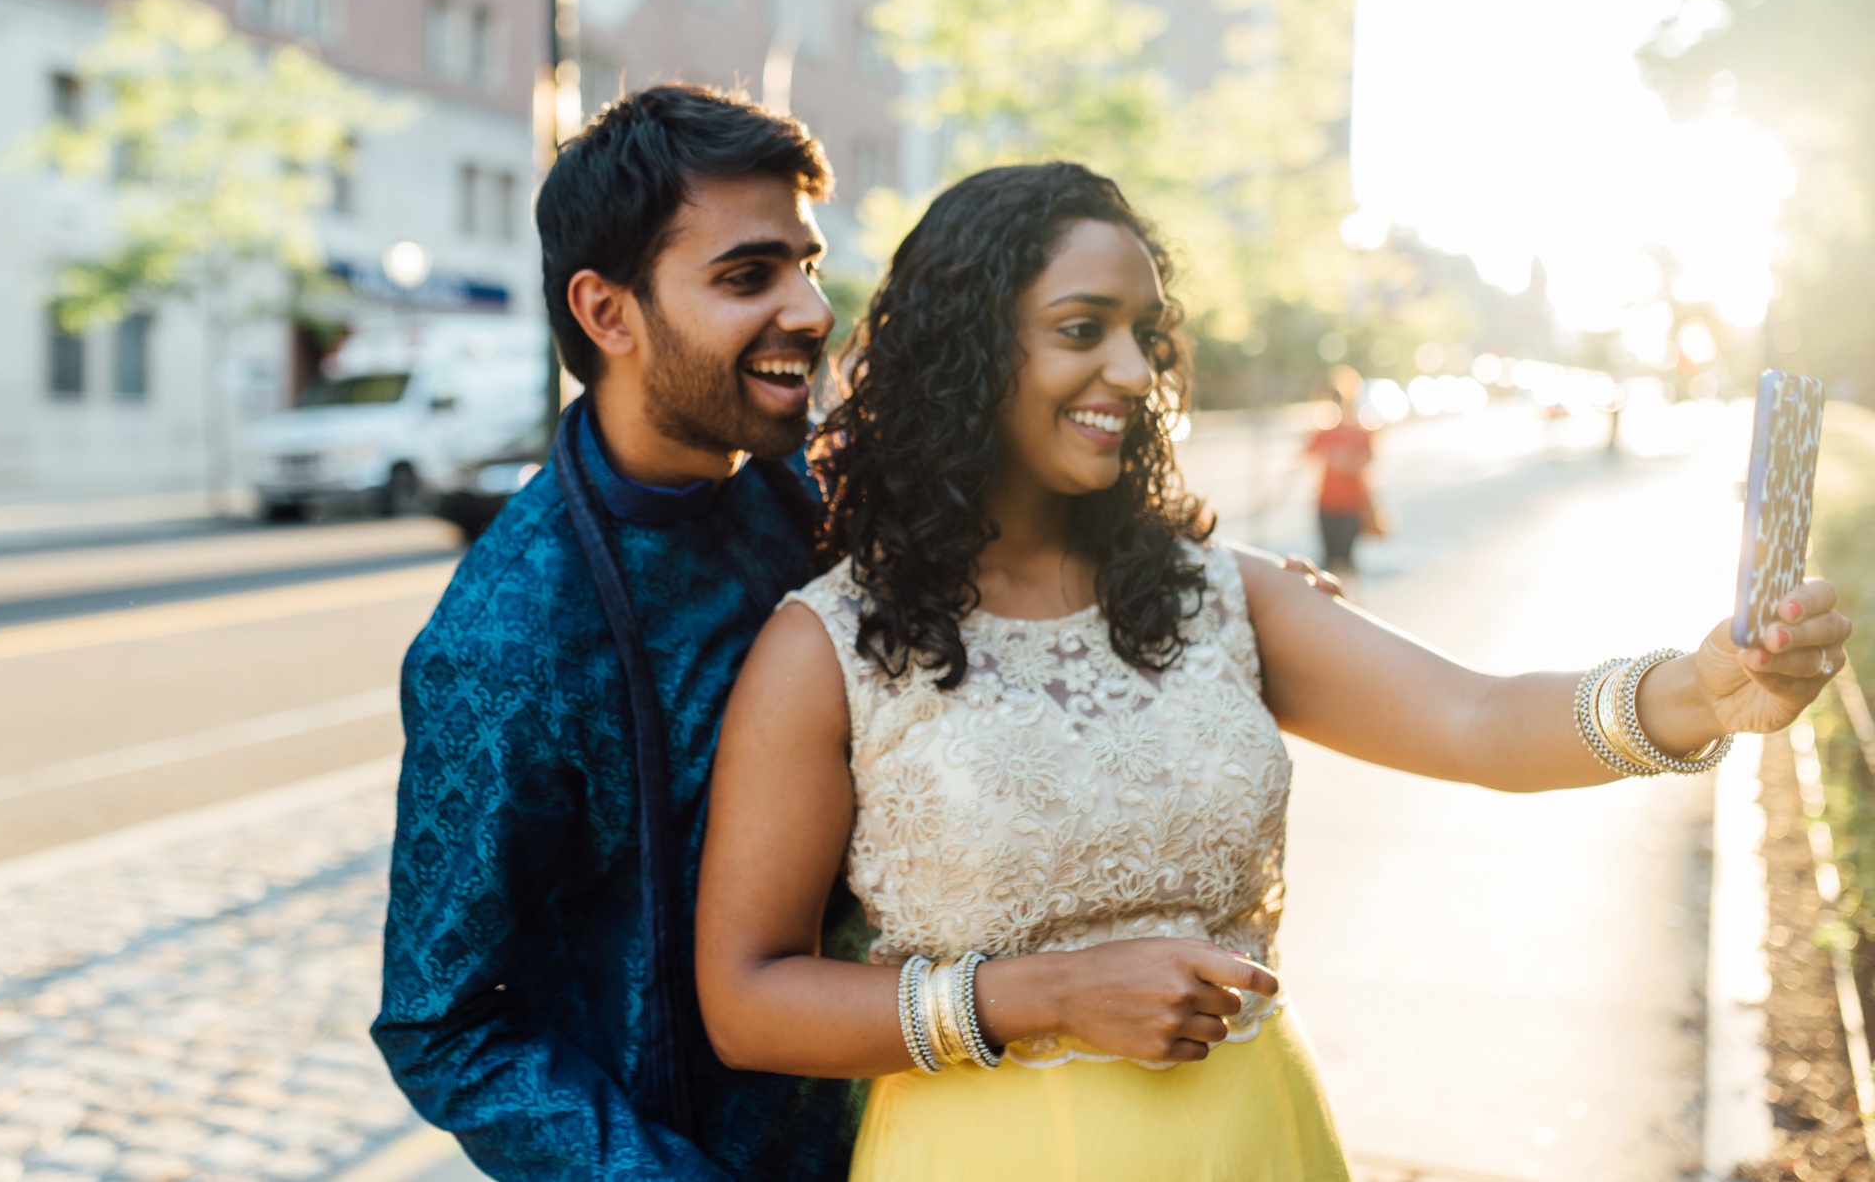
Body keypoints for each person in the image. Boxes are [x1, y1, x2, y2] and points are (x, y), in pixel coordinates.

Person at [692, 162, 1851, 1181]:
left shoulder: (1219, 592)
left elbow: (1477, 719)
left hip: (1250, 1137)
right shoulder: (827, 643)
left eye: (1144, 333)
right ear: (965, 346)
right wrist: (1043, 993)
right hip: (980, 1151)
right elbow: (745, 999)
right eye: (1082, 327)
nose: (1131, 370)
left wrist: (1696, 692)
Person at [371, 85, 861, 1179]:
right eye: (748, 275)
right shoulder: (506, 639)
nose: (810, 309)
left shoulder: (821, 488)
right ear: (607, 312)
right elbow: (441, 1021)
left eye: (806, 262)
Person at [1303, 365, 1374, 576]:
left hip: (1352, 504)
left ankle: (1349, 601)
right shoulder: (1325, 432)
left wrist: (1344, 462)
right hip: (1326, 503)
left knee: (1346, 559)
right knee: (1328, 558)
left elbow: (1366, 462)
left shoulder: (1362, 432)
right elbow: (1306, 456)